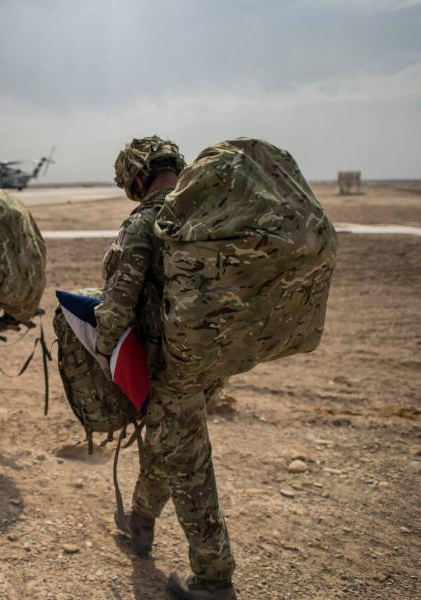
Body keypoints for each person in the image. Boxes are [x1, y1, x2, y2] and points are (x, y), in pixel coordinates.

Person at [94, 136, 237, 600]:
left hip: (170, 368)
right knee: (167, 442)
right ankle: (141, 521)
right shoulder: (209, 212)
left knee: (190, 466)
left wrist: (105, 354)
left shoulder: (144, 222)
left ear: (138, 176)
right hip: (213, 360)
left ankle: (214, 580)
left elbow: (116, 308)